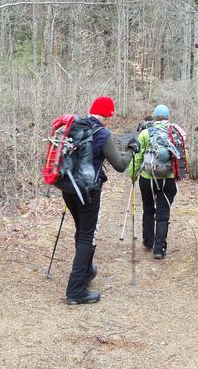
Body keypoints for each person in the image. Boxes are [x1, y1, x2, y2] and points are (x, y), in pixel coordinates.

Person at [64, 96, 139, 305]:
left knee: (81, 231)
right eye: (110, 116)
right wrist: (132, 149)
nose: (110, 120)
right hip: (88, 191)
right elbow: (120, 165)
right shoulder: (102, 133)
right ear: (107, 115)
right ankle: (75, 291)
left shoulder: (74, 126)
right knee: (87, 236)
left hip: (68, 188)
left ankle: (86, 273)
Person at [128, 104, 182, 260]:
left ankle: (148, 241)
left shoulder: (145, 133)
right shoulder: (175, 132)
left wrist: (133, 173)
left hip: (147, 178)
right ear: (167, 116)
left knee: (148, 209)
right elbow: (182, 156)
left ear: (154, 116)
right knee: (163, 214)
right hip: (168, 179)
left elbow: (138, 156)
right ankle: (159, 249)